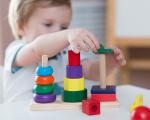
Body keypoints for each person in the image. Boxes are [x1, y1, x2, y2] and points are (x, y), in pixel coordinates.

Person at [3, 0, 126, 102]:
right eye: (48, 24)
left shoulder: (65, 53)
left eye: (64, 27)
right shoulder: (16, 50)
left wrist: (108, 63)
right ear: (20, 27)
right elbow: (38, 48)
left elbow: (91, 71)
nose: (58, 31)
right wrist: (66, 34)